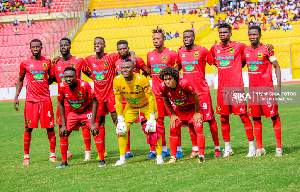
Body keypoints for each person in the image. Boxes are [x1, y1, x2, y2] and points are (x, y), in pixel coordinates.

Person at [83, 37, 136, 160]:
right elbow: (81, 66)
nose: (97, 45)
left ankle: (126, 150)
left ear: (104, 45)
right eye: (95, 43)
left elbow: (128, 59)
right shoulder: (89, 59)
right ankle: (102, 151)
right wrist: (92, 76)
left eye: (100, 43)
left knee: (118, 122)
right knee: (100, 123)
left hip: (111, 96)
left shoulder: (111, 57)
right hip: (98, 97)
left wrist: (132, 52)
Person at [210, 24, 256, 157]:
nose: (222, 34)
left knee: (244, 117)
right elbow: (210, 57)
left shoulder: (239, 46)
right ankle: (228, 148)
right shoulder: (215, 48)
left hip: (236, 88)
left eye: (225, 32)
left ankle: (252, 147)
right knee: (223, 119)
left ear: (230, 34)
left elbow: (250, 53)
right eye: (220, 32)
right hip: (222, 90)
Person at [176, 30, 221, 158]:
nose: (186, 39)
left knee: (210, 120)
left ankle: (217, 148)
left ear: (194, 38)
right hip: (187, 94)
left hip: (202, 92)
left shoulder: (203, 51)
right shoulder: (180, 52)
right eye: (184, 37)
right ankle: (195, 149)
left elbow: (216, 62)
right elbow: (177, 68)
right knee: (191, 121)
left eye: (189, 37)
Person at [113, 59, 164, 166]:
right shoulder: (117, 80)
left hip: (146, 105)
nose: (124, 70)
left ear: (134, 69)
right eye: (122, 68)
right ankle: (122, 159)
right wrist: (120, 117)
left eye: (127, 67)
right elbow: (117, 100)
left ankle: (159, 157)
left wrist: (152, 116)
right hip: (131, 106)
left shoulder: (141, 79)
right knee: (121, 130)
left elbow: (151, 97)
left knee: (155, 128)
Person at [14, 39, 57, 165]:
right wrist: (16, 96)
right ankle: (26, 156)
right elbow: (20, 80)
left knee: (50, 127)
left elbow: (52, 78)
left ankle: (52, 154)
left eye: (38, 46)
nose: (36, 49)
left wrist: (43, 83)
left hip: (45, 100)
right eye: (33, 47)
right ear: (30, 48)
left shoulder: (47, 62)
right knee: (28, 128)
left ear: (41, 48)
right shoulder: (25, 63)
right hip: (31, 101)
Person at [50, 38, 92, 161]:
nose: (63, 47)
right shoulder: (55, 63)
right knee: (61, 126)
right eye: (61, 45)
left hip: (78, 99)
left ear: (70, 46)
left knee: (85, 124)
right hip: (63, 100)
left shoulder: (78, 61)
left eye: (66, 45)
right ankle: (66, 152)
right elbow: (51, 78)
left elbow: (89, 74)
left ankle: (88, 151)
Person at [244, 26, 282, 157]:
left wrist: (279, 86)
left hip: (267, 90)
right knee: (255, 119)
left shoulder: (267, 49)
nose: (252, 37)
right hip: (253, 92)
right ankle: (259, 149)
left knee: (274, 117)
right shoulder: (246, 50)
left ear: (260, 35)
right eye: (250, 35)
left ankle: (278, 147)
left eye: (255, 34)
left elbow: (276, 66)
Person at [56, 67, 105, 168]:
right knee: (63, 133)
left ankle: (102, 160)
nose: (68, 79)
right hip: (73, 112)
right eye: (66, 77)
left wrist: (92, 123)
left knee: (95, 131)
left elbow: (95, 101)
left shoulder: (84, 85)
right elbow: (60, 103)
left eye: (71, 77)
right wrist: (63, 125)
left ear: (76, 77)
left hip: (87, 111)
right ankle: (64, 162)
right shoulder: (61, 86)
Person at [159, 67, 205, 163]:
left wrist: (197, 112)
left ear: (175, 78)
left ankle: (201, 156)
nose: (167, 81)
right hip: (180, 110)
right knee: (173, 128)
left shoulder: (184, 83)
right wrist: (173, 114)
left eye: (170, 79)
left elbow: (196, 96)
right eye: (165, 79)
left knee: (198, 128)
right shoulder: (162, 86)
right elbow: (165, 99)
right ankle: (173, 157)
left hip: (193, 108)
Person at [114, 40, 151, 158]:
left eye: (124, 48)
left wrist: (140, 83)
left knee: (145, 124)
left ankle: (152, 149)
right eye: (120, 49)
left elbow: (147, 72)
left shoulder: (137, 59)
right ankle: (127, 151)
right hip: (125, 98)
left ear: (128, 48)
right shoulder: (116, 62)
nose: (122, 51)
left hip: (138, 98)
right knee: (124, 126)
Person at [147, 27, 178, 158]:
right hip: (156, 95)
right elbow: (148, 70)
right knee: (159, 122)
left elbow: (177, 71)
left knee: (175, 120)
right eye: (154, 39)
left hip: (170, 95)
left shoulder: (171, 54)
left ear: (163, 39)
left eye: (158, 38)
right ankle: (163, 148)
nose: (156, 41)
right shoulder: (150, 55)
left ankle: (178, 149)